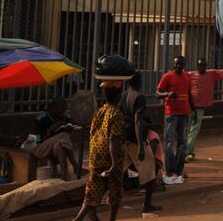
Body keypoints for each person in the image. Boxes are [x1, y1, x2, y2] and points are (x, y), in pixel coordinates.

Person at [73, 81, 125, 221]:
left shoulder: (98, 112)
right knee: (115, 192)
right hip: (110, 158)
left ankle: (78, 218)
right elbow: (113, 140)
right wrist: (115, 163)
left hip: (95, 156)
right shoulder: (116, 114)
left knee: (92, 192)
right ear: (119, 95)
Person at [121, 73, 159, 215]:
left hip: (125, 136)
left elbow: (123, 116)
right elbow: (137, 121)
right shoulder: (139, 97)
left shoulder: (125, 95)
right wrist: (141, 146)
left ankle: (105, 197)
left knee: (118, 169)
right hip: (136, 138)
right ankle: (147, 204)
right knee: (149, 170)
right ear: (140, 82)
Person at [155, 55, 195, 185]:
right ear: (173, 65)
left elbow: (189, 95)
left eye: (180, 64)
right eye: (176, 64)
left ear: (184, 65)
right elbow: (157, 94)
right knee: (169, 143)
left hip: (185, 114)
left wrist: (193, 111)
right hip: (171, 114)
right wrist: (167, 94)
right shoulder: (167, 77)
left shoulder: (187, 77)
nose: (178, 66)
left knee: (183, 143)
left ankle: (179, 170)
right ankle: (170, 170)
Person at [33, 97, 79, 180]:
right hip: (42, 148)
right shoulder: (41, 119)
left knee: (59, 146)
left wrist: (69, 128)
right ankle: (75, 165)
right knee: (63, 136)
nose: (63, 113)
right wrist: (50, 131)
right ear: (53, 108)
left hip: (58, 146)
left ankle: (64, 178)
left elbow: (70, 128)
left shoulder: (66, 116)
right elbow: (39, 141)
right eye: (61, 110)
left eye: (64, 110)